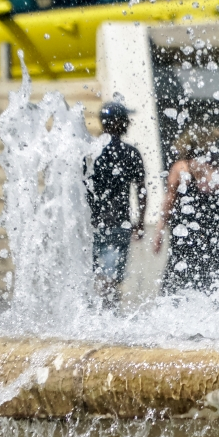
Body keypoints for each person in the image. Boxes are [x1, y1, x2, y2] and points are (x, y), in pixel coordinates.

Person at [153, 123, 219, 295]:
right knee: (214, 279)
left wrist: (160, 230)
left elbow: (169, 201)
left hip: (187, 234)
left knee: (177, 277)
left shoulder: (182, 167)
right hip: (218, 231)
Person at [86, 100, 147, 307]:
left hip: (90, 225)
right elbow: (141, 190)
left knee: (92, 275)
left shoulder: (89, 150)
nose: (128, 123)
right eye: (125, 120)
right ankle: (108, 314)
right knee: (111, 277)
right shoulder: (130, 153)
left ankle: (94, 314)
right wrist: (140, 221)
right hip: (118, 223)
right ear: (116, 123)